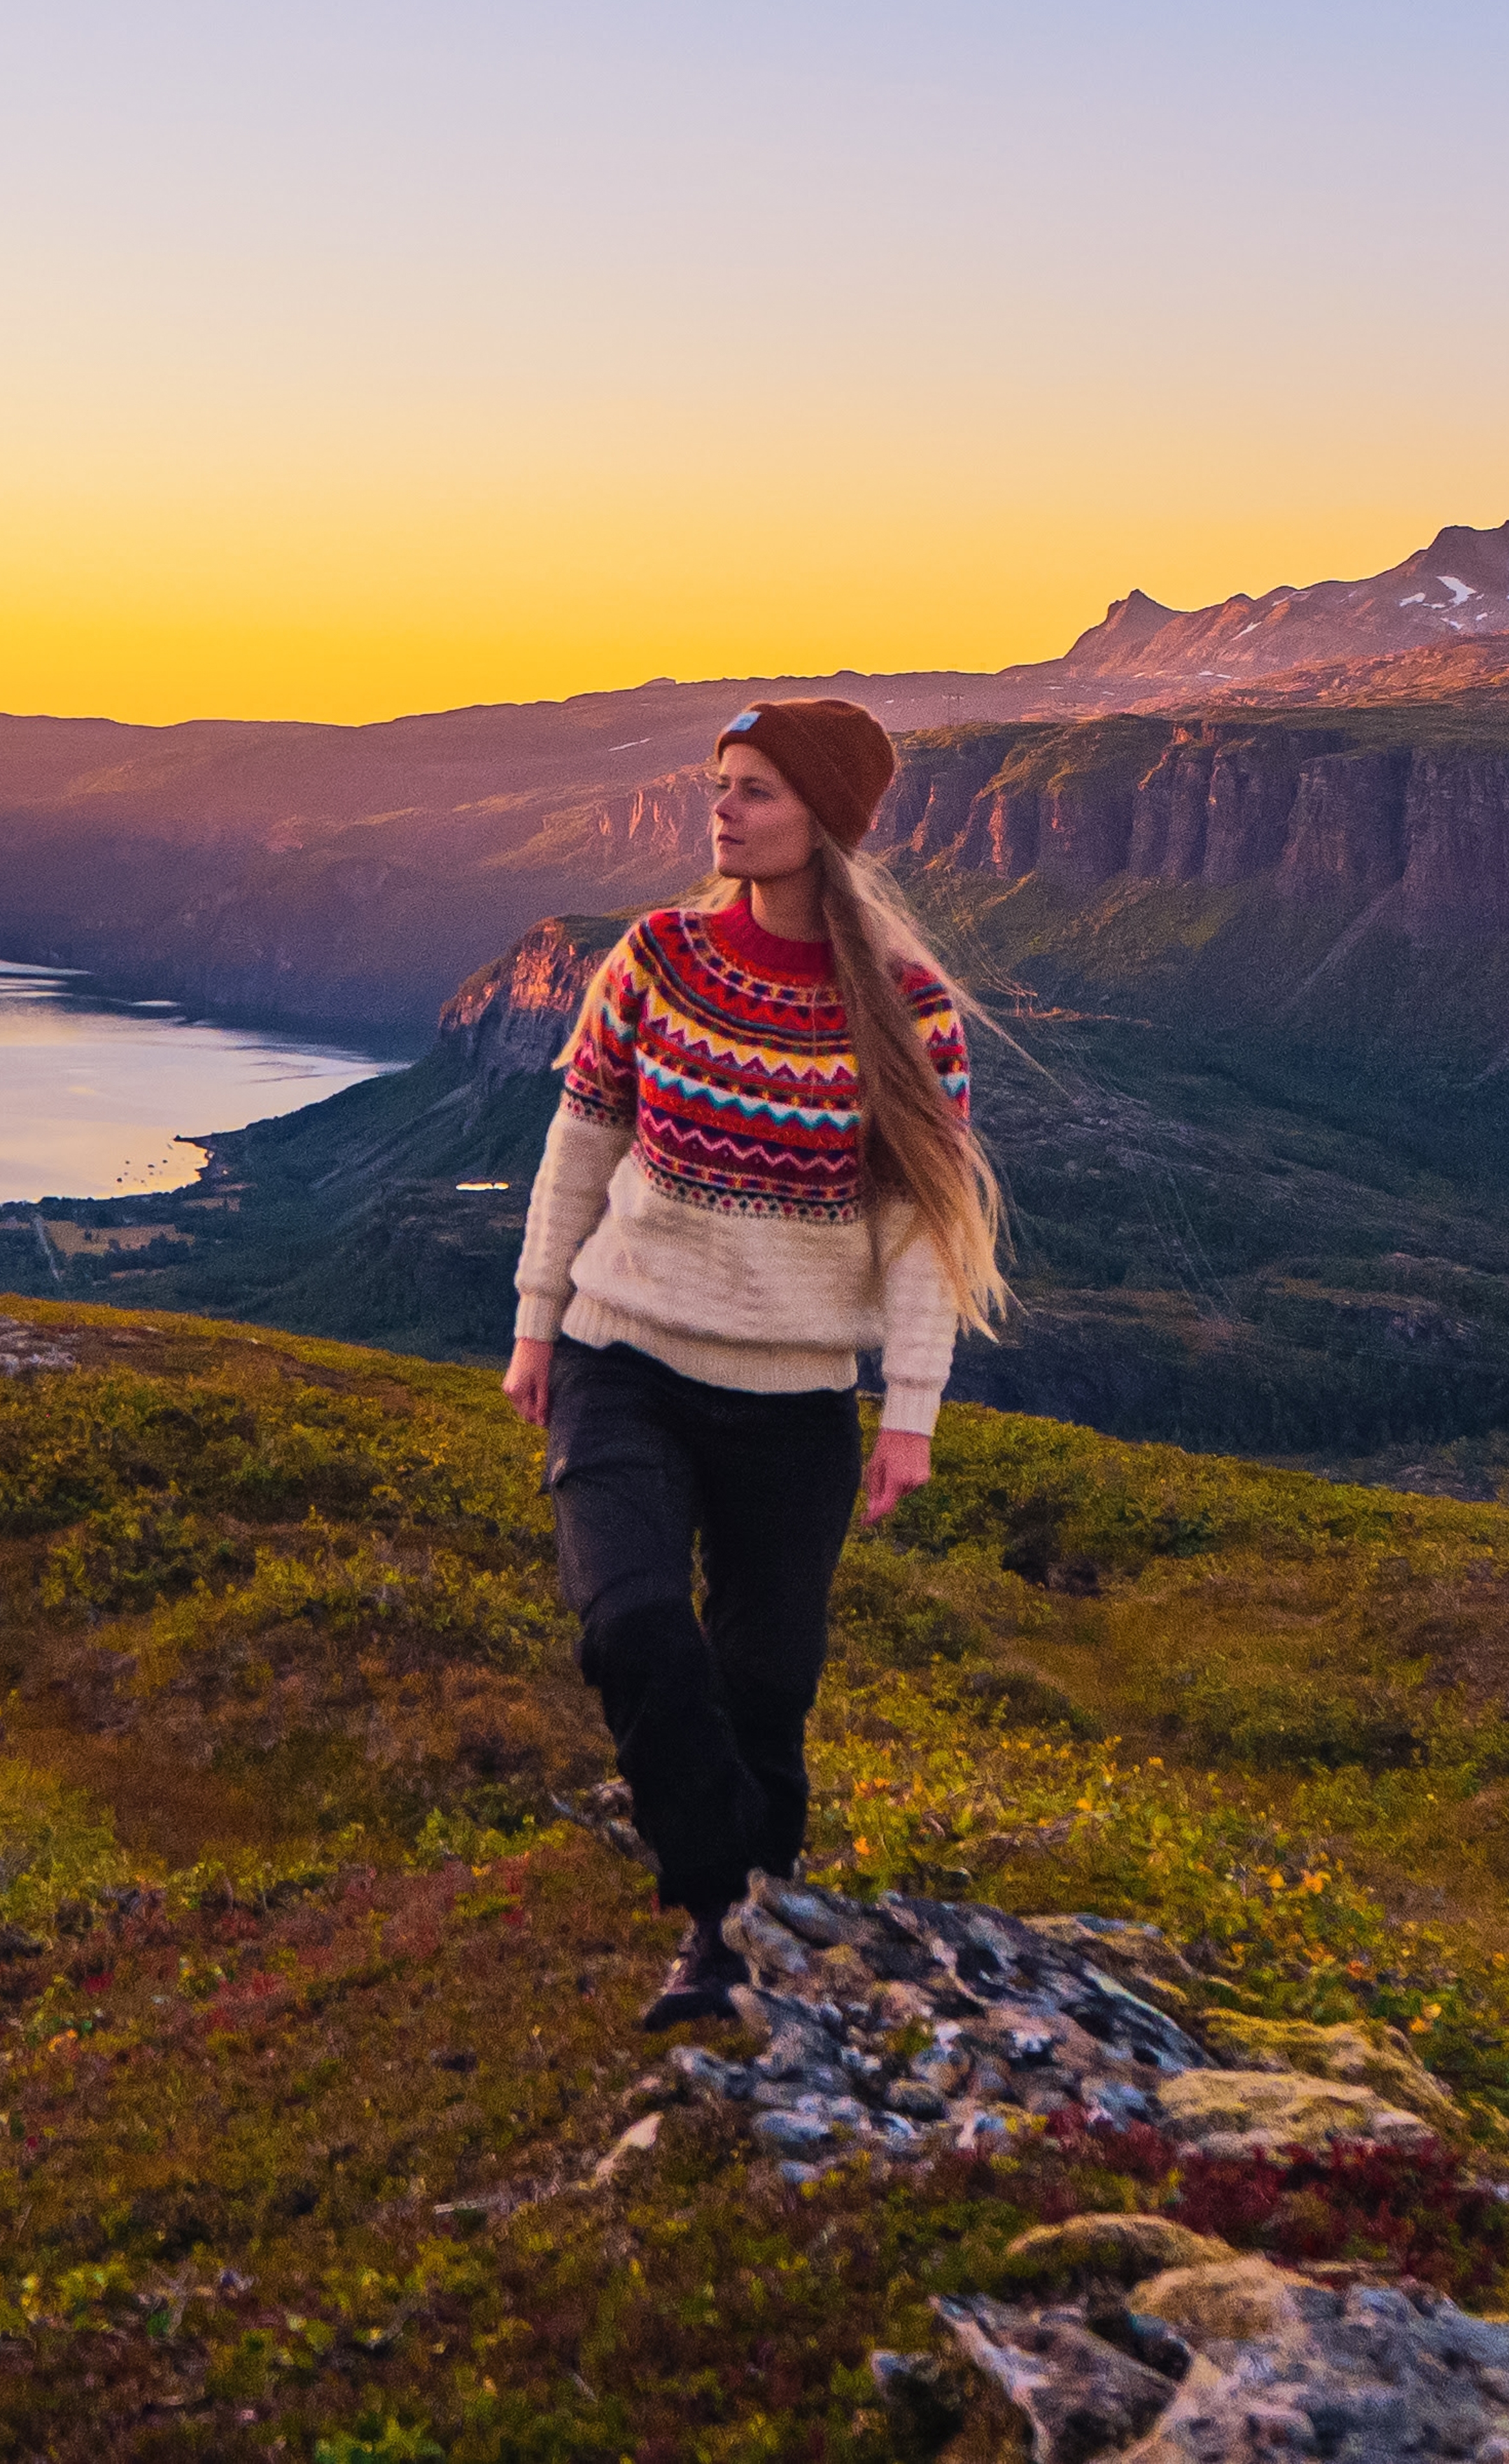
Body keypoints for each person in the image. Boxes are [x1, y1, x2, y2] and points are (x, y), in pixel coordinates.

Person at [502, 697, 1006, 2027]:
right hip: (626, 1356)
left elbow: (920, 1232)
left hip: (794, 1403)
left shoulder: (907, 1009)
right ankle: (730, 1891)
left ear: (825, 821)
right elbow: (580, 1144)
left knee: (768, 1686)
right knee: (631, 1624)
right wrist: (536, 1322)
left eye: (760, 790)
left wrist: (911, 1410)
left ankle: (724, 1955)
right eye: (722, 784)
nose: (723, 808)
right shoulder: (656, 955)